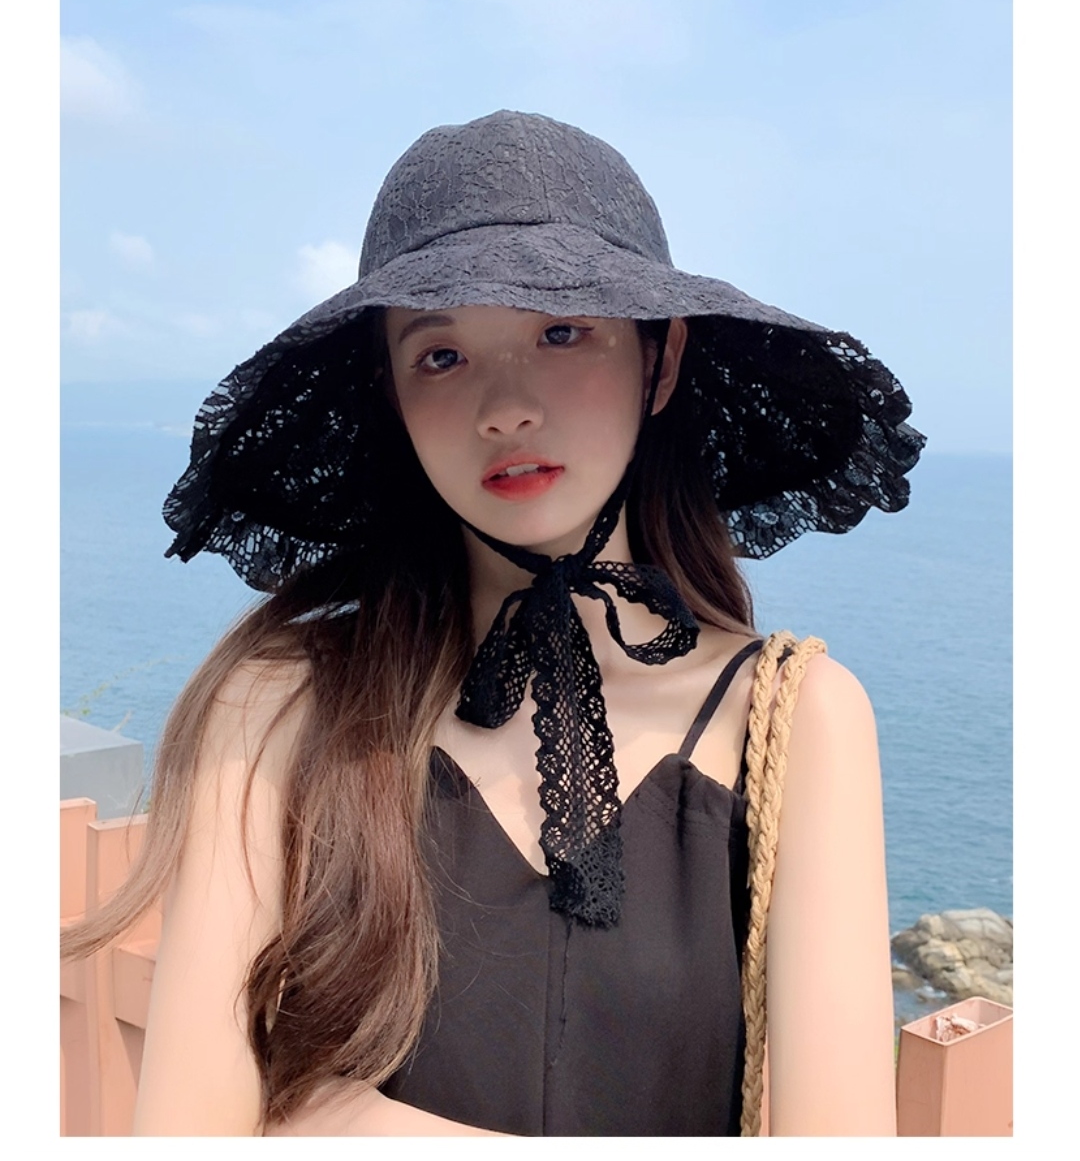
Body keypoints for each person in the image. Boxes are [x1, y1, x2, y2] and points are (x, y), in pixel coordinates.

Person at [63, 110, 925, 1136]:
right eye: (440, 355)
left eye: (561, 331)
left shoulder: (796, 717)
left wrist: (344, 1122)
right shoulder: (279, 701)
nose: (505, 407)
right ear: (392, 394)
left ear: (659, 360)